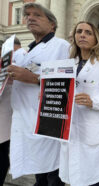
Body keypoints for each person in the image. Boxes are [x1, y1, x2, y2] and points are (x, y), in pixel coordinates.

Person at [7, 3, 69, 185]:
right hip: (28, 122)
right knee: (39, 172)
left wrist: (34, 78)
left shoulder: (61, 47)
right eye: (27, 15)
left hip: (49, 123)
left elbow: (67, 84)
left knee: (53, 174)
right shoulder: (28, 51)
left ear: (52, 25)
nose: (30, 18)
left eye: (37, 15)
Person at [59, 21, 99, 186]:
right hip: (70, 129)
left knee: (94, 180)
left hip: (93, 129)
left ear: (96, 39)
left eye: (88, 32)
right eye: (79, 31)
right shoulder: (68, 63)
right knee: (75, 177)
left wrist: (93, 101)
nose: (82, 35)